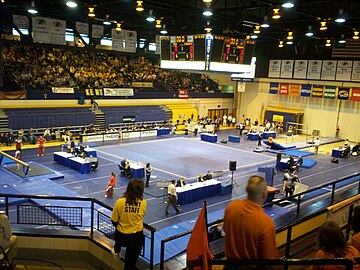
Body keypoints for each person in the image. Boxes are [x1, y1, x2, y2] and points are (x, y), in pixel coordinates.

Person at [223, 175, 278, 266]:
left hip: (229, 266)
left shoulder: (231, 207)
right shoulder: (266, 223)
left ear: (247, 191)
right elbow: (270, 259)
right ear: (264, 194)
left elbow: (226, 230)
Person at [111, 179, 147, 270]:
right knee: (130, 264)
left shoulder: (120, 202)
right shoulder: (143, 203)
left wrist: (122, 225)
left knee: (118, 247)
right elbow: (140, 216)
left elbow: (114, 220)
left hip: (121, 235)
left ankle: (117, 250)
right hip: (136, 236)